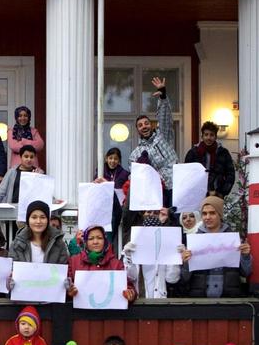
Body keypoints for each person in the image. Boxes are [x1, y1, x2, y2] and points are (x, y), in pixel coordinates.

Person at [180, 196, 252, 297]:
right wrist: (185, 262)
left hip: (229, 299)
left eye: (212, 213)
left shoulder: (232, 239)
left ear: (220, 215)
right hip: (200, 300)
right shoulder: (195, 240)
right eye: (204, 214)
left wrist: (245, 256)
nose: (207, 217)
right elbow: (184, 278)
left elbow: (246, 272)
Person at [129, 76, 178, 205]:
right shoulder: (136, 154)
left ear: (151, 125)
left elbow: (165, 119)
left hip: (175, 186)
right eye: (140, 125)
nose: (144, 126)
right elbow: (134, 177)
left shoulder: (163, 136)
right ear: (137, 130)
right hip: (156, 192)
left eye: (146, 123)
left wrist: (163, 96)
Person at [66, 225, 137, 303]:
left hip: (109, 314)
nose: (95, 242)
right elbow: (65, 286)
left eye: (99, 238)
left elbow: (128, 286)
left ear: (105, 240)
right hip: (80, 313)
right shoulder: (74, 261)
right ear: (85, 241)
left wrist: (130, 293)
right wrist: (69, 292)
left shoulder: (116, 264)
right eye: (91, 239)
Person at [122, 209, 181, 299]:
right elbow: (131, 277)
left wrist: (175, 256)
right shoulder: (135, 248)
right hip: (139, 301)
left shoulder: (164, 250)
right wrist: (128, 257)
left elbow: (172, 279)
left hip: (159, 301)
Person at [183, 121, 236, 198]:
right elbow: (187, 174)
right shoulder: (193, 153)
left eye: (211, 135)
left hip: (216, 194)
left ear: (215, 136)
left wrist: (222, 192)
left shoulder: (223, 153)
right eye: (206, 135)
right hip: (197, 194)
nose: (208, 138)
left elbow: (230, 174)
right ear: (202, 136)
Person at [9, 201, 69, 265]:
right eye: (34, 217)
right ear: (28, 220)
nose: (38, 221)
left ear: (48, 220)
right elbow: (13, 267)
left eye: (42, 217)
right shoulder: (17, 244)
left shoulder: (58, 243)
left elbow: (62, 268)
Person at [94, 147, 129, 251]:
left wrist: (108, 185)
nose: (113, 161)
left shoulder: (124, 174)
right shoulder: (100, 172)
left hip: (117, 209)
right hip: (102, 208)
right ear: (106, 158)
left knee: (112, 233)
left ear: (119, 161)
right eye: (110, 158)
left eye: (116, 159)